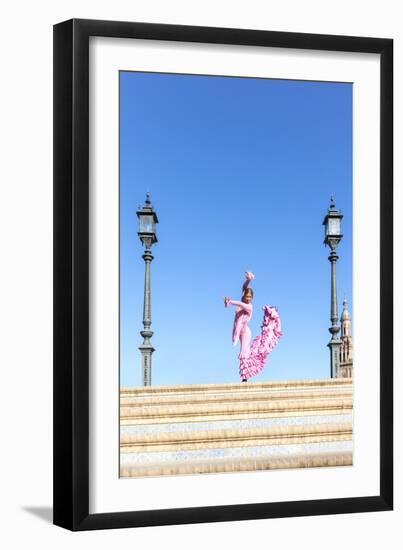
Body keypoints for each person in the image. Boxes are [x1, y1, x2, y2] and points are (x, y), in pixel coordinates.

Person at [224, 272, 282, 382]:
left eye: (250, 297)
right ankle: (244, 376)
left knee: (244, 352)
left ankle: (245, 377)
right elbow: (244, 287)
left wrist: (230, 301)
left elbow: (241, 305)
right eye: (246, 297)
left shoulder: (249, 306)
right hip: (240, 331)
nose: (248, 299)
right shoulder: (243, 299)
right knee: (244, 352)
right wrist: (249, 279)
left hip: (245, 331)